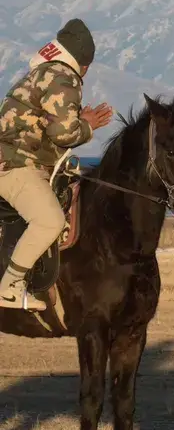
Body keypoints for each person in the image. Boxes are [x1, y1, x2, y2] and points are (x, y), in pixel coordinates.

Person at [0, 19, 113, 311]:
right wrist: (87, 127)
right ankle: (10, 286)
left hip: (17, 159)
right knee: (50, 221)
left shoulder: (44, 72)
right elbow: (62, 134)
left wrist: (79, 120)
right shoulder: (64, 77)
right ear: (83, 62)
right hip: (16, 166)